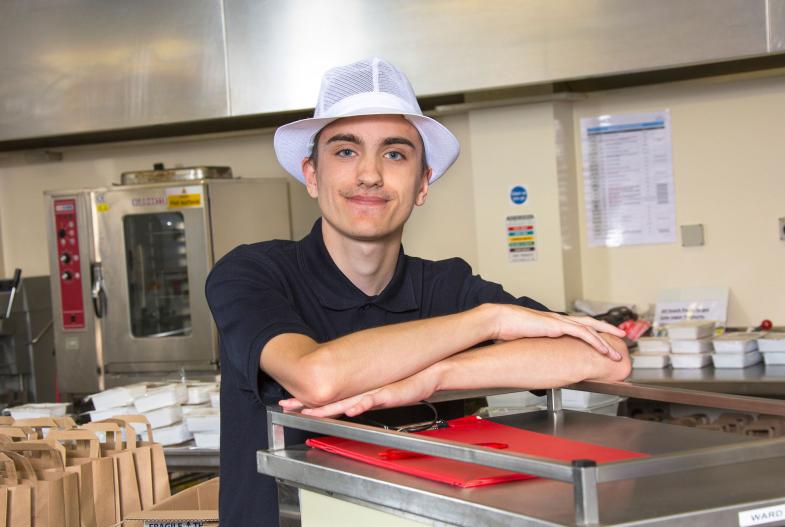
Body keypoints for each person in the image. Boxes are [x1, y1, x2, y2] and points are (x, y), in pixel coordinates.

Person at [205, 57, 630, 525]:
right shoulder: (252, 273)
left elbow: (607, 355)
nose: (369, 174)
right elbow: (316, 377)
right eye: (346, 152)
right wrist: (487, 321)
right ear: (311, 174)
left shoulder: (445, 285)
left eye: (394, 154)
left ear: (423, 182)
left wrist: (434, 376)